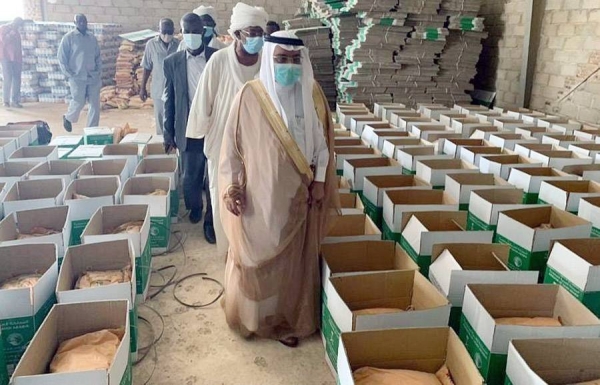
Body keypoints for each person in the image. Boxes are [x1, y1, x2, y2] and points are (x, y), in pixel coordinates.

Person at [218, 31, 338, 347]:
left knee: (293, 267)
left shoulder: (311, 95)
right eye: (281, 59)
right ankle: (256, 319)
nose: (288, 66)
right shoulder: (249, 96)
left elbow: (323, 148)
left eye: (294, 60)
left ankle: (286, 321)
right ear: (270, 61)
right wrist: (232, 188)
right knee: (257, 261)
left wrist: (321, 181)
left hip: (301, 198)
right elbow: (231, 148)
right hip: (260, 200)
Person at [186, 2, 268, 255]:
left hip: (259, 148)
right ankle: (229, 254)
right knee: (224, 200)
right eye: (250, 32)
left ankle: (251, 254)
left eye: (259, 33)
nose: (255, 38)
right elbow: (202, 103)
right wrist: (195, 140)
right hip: (222, 145)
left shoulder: (267, 63)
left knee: (256, 201)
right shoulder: (219, 61)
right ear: (236, 34)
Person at [163, 12, 217, 243]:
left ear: (203, 32)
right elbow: (169, 99)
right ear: (181, 33)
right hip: (188, 129)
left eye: (197, 31)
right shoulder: (172, 62)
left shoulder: (217, 57)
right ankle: (195, 207)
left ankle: (210, 221)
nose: (193, 35)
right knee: (190, 179)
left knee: (213, 178)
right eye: (188, 31)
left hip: (214, 127)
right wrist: (168, 132)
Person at [58, 14, 101, 132]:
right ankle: (68, 118)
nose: (82, 23)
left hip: (92, 76)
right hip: (77, 76)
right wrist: (69, 74)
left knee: (95, 104)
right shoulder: (69, 38)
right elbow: (62, 58)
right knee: (79, 101)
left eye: (84, 21)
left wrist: (98, 71)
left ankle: (92, 130)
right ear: (75, 23)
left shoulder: (92, 38)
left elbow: (97, 56)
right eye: (79, 21)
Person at [140, 18, 178, 135]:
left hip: (175, 89)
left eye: (170, 32)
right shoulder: (151, 45)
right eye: (164, 31)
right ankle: (162, 145)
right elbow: (147, 67)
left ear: (174, 31)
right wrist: (143, 88)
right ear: (159, 30)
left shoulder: (178, 45)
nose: (167, 35)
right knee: (161, 119)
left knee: (175, 118)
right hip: (158, 89)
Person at [0, 18, 24, 108]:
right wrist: (11, 33)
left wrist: (20, 59)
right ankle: (6, 101)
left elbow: (18, 46)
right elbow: (4, 41)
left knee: (17, 79)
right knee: (8, 78)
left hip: (16, 58)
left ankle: (15, 101)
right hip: (6, 58)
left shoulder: (17, 32)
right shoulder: (3, 29)